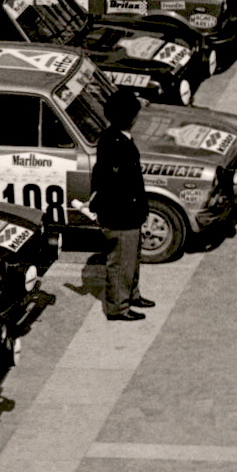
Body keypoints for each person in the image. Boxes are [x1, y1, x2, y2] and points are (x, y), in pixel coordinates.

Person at [90, 89, 151, 323]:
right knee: (121, 263)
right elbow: (116, 183)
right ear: (130, 117)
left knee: (131, 260)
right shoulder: (116, 143)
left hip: (129, 213)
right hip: (121, 215)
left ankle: (132, 295)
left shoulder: (113, 137)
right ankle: (118, 306)